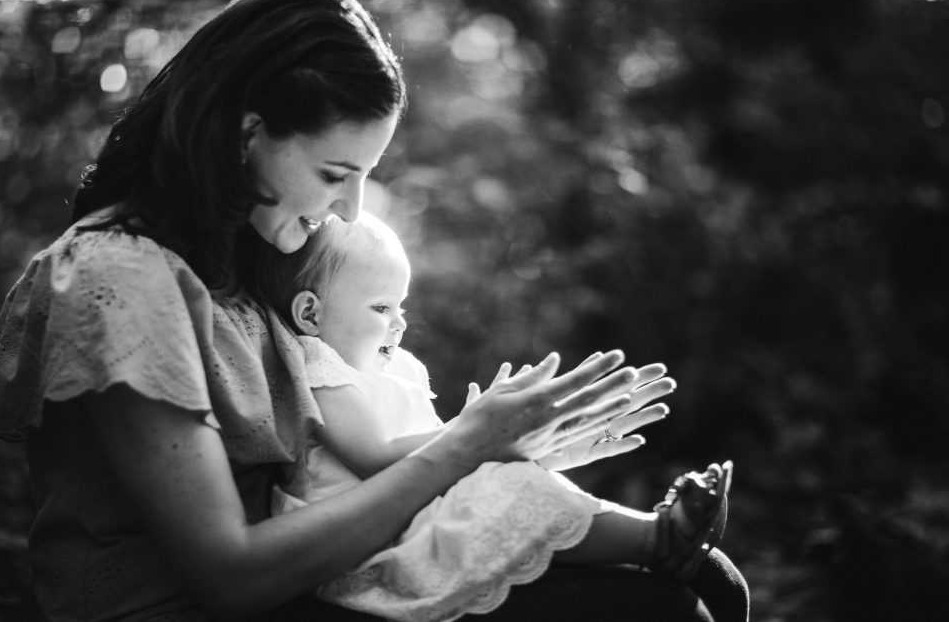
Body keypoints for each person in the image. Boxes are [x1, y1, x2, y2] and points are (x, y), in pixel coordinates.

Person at [0, 0, 747, 621]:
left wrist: (514, 443)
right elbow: (230, 575)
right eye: (336, 172)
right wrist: (463, 447)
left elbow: (345, 457)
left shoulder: (245, 260)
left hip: (312, 588)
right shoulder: (120, 279)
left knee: (706, 579)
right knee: (651, 610)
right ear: (248, 134)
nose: (348, 211)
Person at [252, 211, 734, 621]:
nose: (399, 322)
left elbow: (433, 460)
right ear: (311, 315)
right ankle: (655, 539)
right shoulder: (321, 371)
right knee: (512, 488)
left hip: (409, 520)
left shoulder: (390, 370)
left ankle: (655, 537)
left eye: (402, 305)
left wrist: (515, 442)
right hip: (363, 550)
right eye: (381, 307)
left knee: (516, 480)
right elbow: (376, 458)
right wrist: (472, 432)